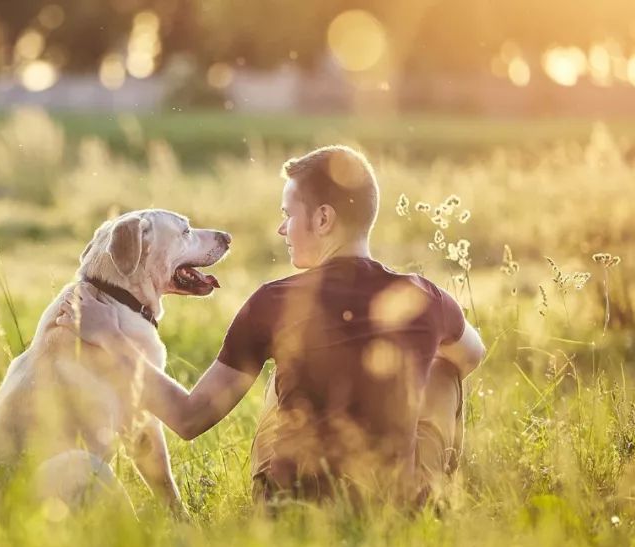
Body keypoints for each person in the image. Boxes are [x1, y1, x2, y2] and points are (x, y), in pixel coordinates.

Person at [60, 145, 486, 511]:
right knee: (443, 370)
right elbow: (472, 356)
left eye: (288, 215)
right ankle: (433, 494)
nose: (282, 228)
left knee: (279, 373)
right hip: (393, 507)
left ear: (322, 220)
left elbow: (188, 419)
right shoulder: (424, 295)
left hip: (289, 507)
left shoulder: (274, 301)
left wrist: (112, 341)